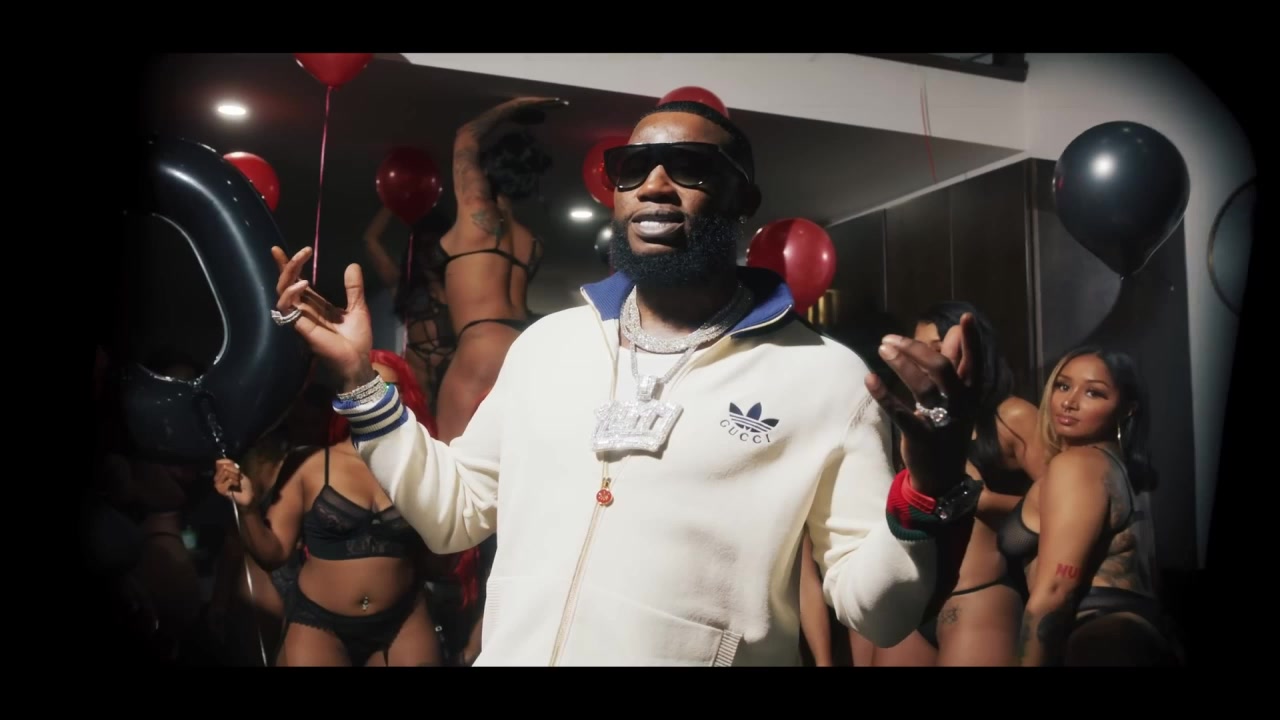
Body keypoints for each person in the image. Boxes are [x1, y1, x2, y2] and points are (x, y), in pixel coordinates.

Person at [269, 99, 984, 666]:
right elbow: (453, 512)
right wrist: (360, 381)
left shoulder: (824, 376)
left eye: (689, 168)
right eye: (633, 167)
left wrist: (930, 487)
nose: (654, 186)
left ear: (742, 199)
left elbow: (880, 614)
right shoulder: (548, 345)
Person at [212, 350, 445, 666]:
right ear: (346, 396)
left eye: (387, 388)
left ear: (404, 399)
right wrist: (249, 509)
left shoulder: (422, 466)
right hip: (320, 624)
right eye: (364, 385)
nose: (374, 396)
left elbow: (439, 563)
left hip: (404, 620)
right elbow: (273, 554)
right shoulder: (310, 464)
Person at [873, 301, 1047, 666]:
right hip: (915, 600)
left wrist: (979, 500)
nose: (924, 360)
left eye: (937, 349)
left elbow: (1065, 507)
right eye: (917, 349)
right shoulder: (911, 422)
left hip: (977, 595)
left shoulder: (1011, 415)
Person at [999, 345, 1177, 665]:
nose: (1069, 401)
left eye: (1094, 393)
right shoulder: (1119, 467)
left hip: (1100, 638)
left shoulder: (1078, 465)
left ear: (1127, 409)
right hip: (1137, 630)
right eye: (1063, 385)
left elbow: (1056, 589)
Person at [430, 97, 555, 442]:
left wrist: (515, 106)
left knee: (452, 463)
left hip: (479, 349)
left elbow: (466, 135)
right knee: (511, 463)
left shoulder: (475, 211)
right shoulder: (532, 242)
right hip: (520, 349)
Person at [363, 205, 457, 415]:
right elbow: (371, 240)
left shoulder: (461, 289)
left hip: (454, 371)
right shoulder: (403, 286)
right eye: (423, 248)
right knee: (418, 422)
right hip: (418, 370)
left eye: (434, 248)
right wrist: (393, 201)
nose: (429, 255)